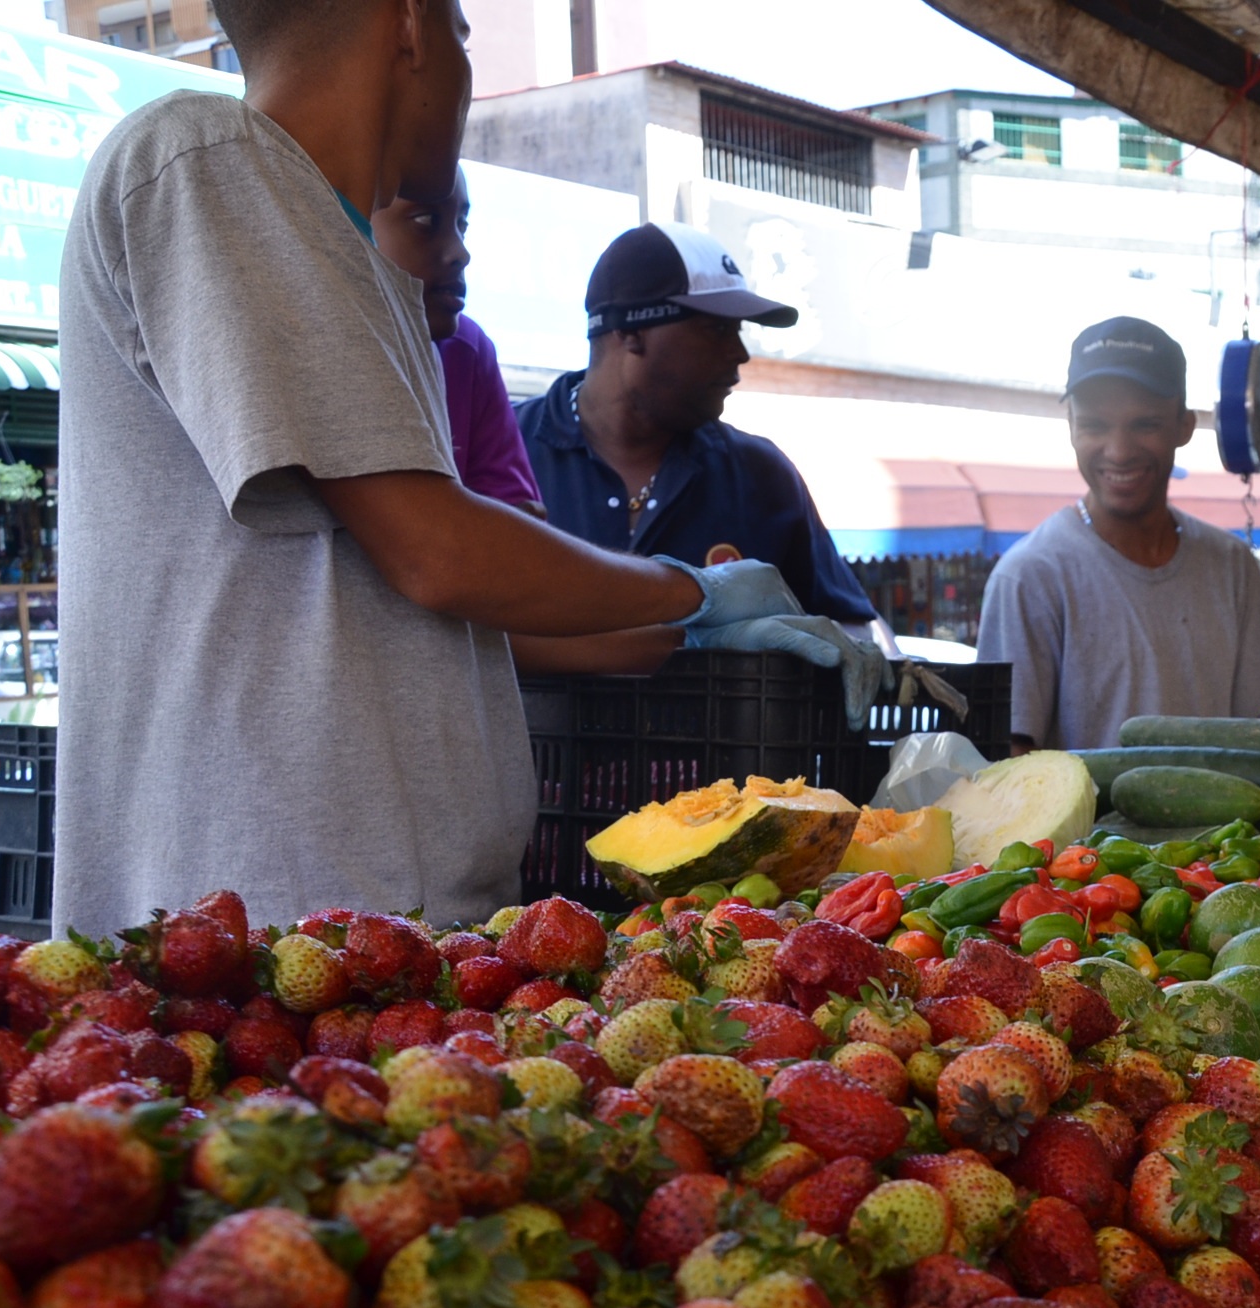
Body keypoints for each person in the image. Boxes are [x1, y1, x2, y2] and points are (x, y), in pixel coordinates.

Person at [56, 0, 843, 932]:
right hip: (259, 934)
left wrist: (684, 631)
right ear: (410, 27)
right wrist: (692, 596)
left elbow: (429, 607)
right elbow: (437, 553)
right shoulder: (207, 157)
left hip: (379, 932)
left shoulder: (366, 281)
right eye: (465, 38)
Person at [516, 222, 883, 653]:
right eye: (717, 329)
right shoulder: (507, 449)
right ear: (630, 331)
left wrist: (855, 655)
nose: (740, 353)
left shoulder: (762, 474)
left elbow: (853, 627)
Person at [975, 317, 1260, 752]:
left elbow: (1256, 738)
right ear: (1070, 426)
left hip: (1231, 825)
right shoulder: (1029, 579)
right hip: (1088, 826)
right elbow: (1006, 763)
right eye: (1095, 426)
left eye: (1145, 424)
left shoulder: (1232, 566)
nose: (1119, 451)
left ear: (1184, 425)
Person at [369, 165, 540, 513]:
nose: (460, 252)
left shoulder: (467, 350)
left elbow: (522, 519)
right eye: (426, 221)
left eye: (462, 226)